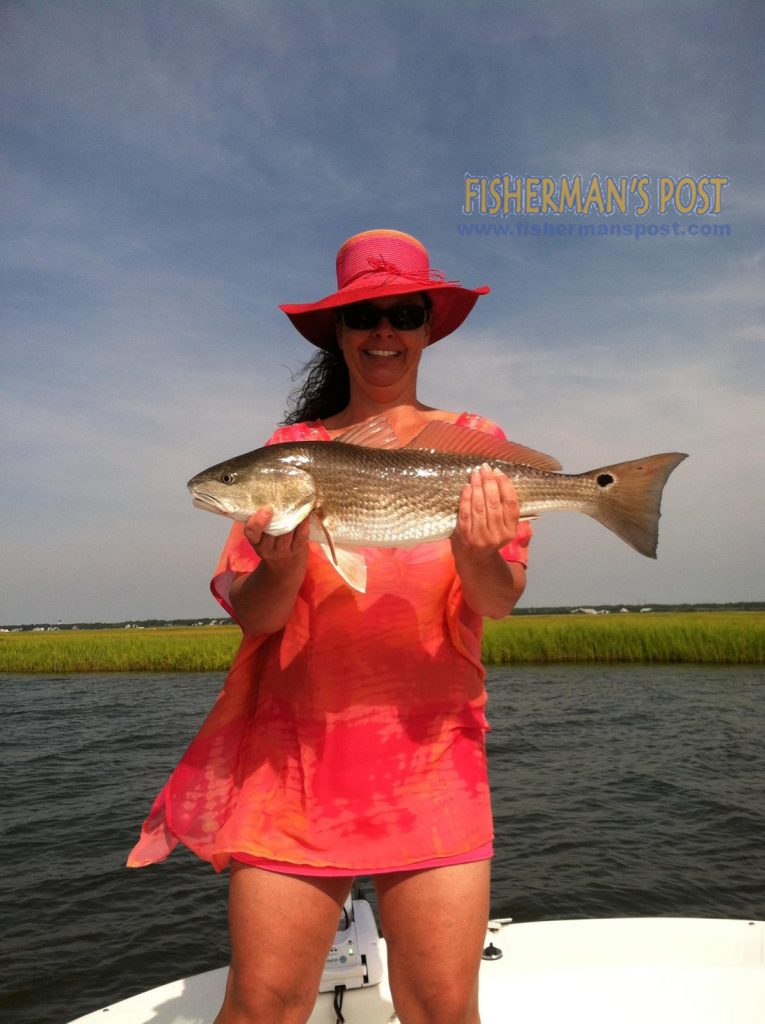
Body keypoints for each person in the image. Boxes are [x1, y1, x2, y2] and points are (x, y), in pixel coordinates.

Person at [128, 229, 532, 1024]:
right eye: (363, 317)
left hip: (434, 755)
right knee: (263, 1005)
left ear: (426, 326)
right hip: (295, 764)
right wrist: (278, 563)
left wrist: (478, 547)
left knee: (443, 1008)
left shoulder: (476, 449)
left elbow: (498, 598)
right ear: (338, 334)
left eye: (403, 312)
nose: (383, 332)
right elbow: (255, 617)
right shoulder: (289, 454)